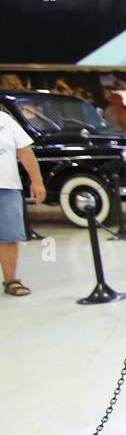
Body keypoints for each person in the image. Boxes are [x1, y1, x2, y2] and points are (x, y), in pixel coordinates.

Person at [0, 104, 45, 296]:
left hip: (7, 187)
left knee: (9, 236)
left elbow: (25, 151)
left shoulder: (5, 120)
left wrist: (37, 181)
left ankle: (11, 280)